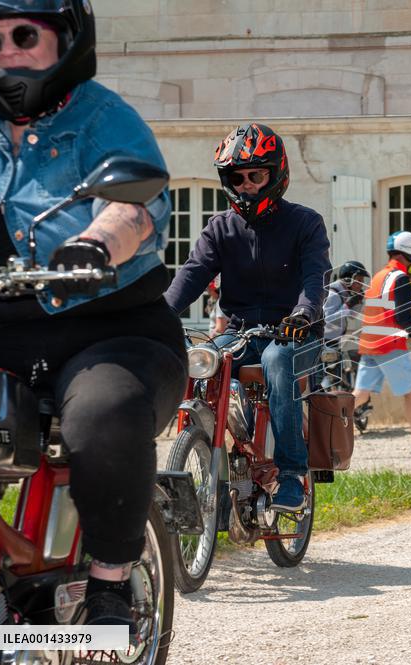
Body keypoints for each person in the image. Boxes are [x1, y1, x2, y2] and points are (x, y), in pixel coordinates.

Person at [0, 0, 186, 632]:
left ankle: (110, 583)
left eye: (24, 34)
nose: (6, 51)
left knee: (103, 415)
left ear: (64, 39)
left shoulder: (104, 117)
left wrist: (96, 243)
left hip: (108, 333)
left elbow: (134, 207)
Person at [165, 122, 331, 511]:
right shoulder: (219, 229)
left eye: (256, 175)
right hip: (240, 333)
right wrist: (158, 314)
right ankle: (214, 460)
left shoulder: (306, 223)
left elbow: (314, 279)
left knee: (276, 359)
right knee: (203, 361)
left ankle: (291, 474)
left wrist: (304, 313)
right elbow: (190, 275)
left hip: (297, 334)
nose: (247, 185)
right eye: (237, 178)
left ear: (277, 173)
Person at [353, 231, 411, 457]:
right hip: (390, 346)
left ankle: (322, 433)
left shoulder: (379, 276)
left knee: (359, 395)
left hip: (370, 343)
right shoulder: (400, 278)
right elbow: (403, 318)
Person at [317, 260, 369, 391]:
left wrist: (358, 302)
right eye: (359, 280)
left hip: (335, 341)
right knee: (327, 378)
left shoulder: (345, 292)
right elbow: (327, 318)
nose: (361, 284)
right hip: (324, 342)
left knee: (337, 376)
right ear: (348, 278)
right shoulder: (334, 294)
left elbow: (351, 316)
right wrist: (347, 305)